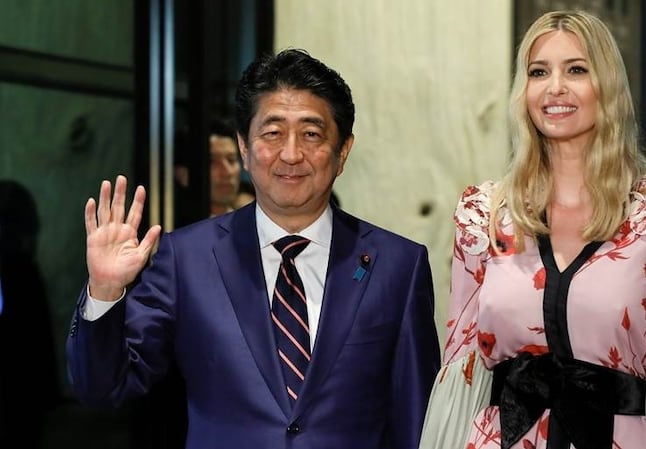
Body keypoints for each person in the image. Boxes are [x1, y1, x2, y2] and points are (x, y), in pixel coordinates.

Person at [66, 48, 440, 449]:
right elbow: (104, 387)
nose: (291, 154)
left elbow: (417, 418)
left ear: (343, 151)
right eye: (272, 133)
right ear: (244, 147)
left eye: (311, 134)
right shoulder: (187, 259)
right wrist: (105, 291)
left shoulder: (398, 266)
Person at [419, 10, 646, 449]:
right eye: (539, 72)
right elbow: (462, 368)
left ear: (607, 85)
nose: (555, 87)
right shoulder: (485, 213)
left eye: (576, 69)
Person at [0, 180, 61, 448]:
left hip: (22, 390)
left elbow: (38, 337)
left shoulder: (23, 272)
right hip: (24, 391)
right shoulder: (24, 271)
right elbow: (39, 339)